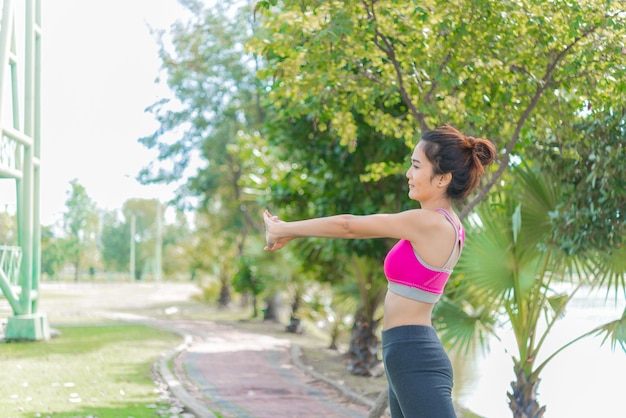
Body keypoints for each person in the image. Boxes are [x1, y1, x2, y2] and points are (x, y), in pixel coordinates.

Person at [263, 124, 497, 418]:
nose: (408, 174)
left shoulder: (431, 224)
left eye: (415, 166)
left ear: (443, 179)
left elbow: (349, 225)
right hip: (403, 352)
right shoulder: (441, 223)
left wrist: (284, 229)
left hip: (414, 355)